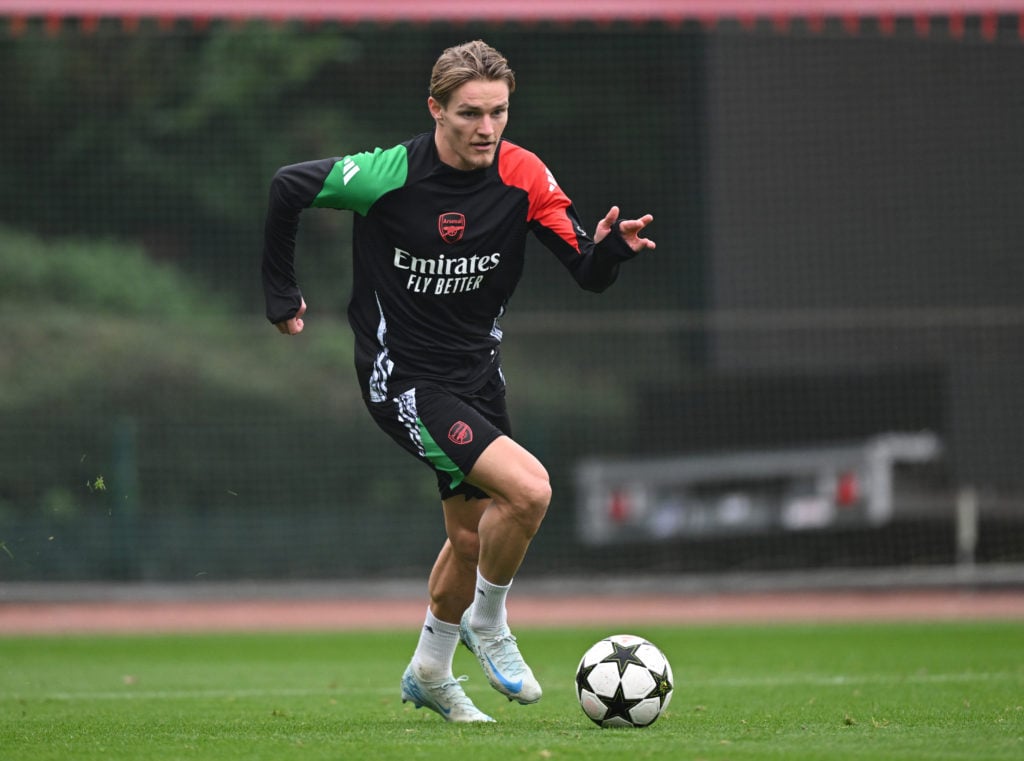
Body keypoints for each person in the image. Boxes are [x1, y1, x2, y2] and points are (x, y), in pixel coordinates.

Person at [262, 40, 655, 723]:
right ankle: (490, 622)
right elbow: (287, 187)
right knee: (530, 490)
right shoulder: (387, 173)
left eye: (498, 112)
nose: (486, 128)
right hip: (405, 381)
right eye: (470, 113)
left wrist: (611, 254)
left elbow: (584, 269)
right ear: (435, 109)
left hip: (477, 374)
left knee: (472, 541)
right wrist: (280, 293)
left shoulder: (523, 175)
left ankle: (430, 672)